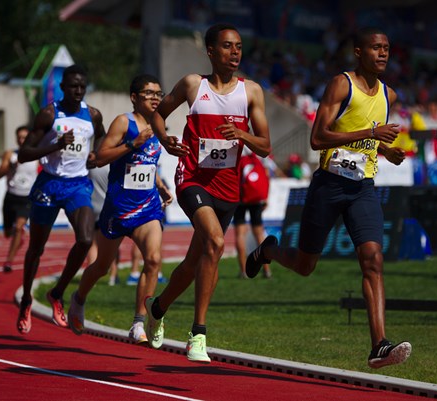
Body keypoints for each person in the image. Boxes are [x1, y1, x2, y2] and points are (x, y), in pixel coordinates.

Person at [246, 27, 412, 369]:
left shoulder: (388, 95)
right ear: (357, 52)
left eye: (386, 48)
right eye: (375, 48)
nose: (382, 53)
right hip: (329, 185)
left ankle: (379, 344)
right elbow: (318, 138)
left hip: (363, 187)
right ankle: (269, 250)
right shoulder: (342, 84)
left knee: (373, 260)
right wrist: (371, 133)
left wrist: (385, 150)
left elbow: (367, 134)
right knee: (305, 266)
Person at [144, 23, 271, 363]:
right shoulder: (192, 85)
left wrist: (243, 136)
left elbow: (265, 146)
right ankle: (198, 335)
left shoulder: (252, 92)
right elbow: (159, 113)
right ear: (211, 51)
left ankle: (156, 308)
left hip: (228, 189)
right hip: (193, 178)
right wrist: (166, 139)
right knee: (215, 242)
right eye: (228, 46)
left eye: (240, 47)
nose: (235, 53)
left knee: (191, 264)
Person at [67, 74, 173, 344]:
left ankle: (139, 322)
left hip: (148, 206)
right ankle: (78, 298)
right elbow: (99, 158)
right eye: (149, 93)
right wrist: (131, 144)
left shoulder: (159, 124)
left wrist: (159, 184)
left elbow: (147, 163)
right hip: (118, 209)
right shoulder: (124, 122)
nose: (155, 98)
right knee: (102, 266)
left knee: (153, 260)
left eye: (158, 94)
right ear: (134, 97)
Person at [16, 64, 105, 334]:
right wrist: (55, 144)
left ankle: (57, 292)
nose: (78, 90)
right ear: (63, 87)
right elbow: (23, 154)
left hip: (77, 184)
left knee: (86, 240)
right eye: (73, 86)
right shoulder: (48, 114)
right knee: (36, 249)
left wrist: (95, 155)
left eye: (82, 86)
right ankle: (27, 298)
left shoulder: (93, 114)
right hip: (49, 184)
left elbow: (100, 138)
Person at [0, 125, 39, 273]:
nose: (22, 140)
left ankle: (9, 261)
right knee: (8, 233)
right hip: (11, 197)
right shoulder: (10, 154)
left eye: (24, 137)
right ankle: (17, 238)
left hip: (26, 199)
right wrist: (10, 167)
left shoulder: (37, 156)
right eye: (19, 137)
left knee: (19, 228)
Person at [234, 149, 272, 279]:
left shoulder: (235, 147)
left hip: (239, 197)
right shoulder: (257, 148)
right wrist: (266, 197)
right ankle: (266, 270)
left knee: (240, 234)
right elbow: (266, 174)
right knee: (259, 233)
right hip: (256, 197)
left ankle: (243, 271)